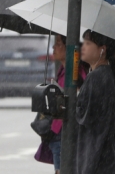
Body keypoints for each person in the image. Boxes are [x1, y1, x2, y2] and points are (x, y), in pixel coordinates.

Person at [76, 30, 115, 174]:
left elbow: (86, 115)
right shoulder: (105, 73)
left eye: (88, 43)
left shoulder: (96, 77)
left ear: (102, 49)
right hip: (104, 151)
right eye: (83, 42)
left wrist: (73, 106)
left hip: (94, 152)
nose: (83, 47)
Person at [47, 35, 88, 174]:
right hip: (58, 129)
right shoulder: (63, 70)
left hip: (66, 130)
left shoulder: (76, 71)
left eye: (58, 43)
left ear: (69, 47)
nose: (53, 47)